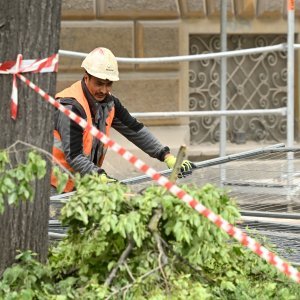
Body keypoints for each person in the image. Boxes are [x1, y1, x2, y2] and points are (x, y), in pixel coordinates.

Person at [51, 47, 195, 193]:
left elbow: (135, 130)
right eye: (99, 83)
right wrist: (99, 176)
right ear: (86, 77)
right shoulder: (70, 106)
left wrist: (166, 155)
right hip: (55, 186)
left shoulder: (109, 103)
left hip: (82, 184)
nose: (104, 90)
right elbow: (74, 156)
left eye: (109, 84)